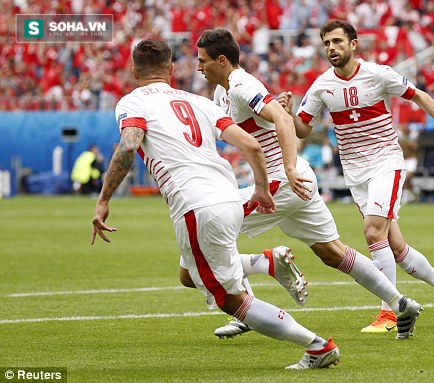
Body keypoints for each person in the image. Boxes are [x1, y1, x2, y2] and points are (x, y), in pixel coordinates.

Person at [90, 38, 340, 369]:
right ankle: (266, 262)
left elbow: (128, 146)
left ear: (135, 71)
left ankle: (317, 345)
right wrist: (261, 188)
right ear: (172, 69)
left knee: (230, 300)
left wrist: (103, 199)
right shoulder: (200, 102)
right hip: (229, 196)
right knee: (188, 274)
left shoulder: (132, 103)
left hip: (195, 204)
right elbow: (251, 145)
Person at [180, 28, 423, 340]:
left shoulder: (242, 84)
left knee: (207, 230)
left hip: (283, 181)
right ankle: (400, 303)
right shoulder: (222, 92)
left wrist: (289, 167)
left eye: (203, 61)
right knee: (332, 252)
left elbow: (282, 120)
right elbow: (268, 118)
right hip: (296, 181)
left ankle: (258, 280)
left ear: (222, 60)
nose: (199, 67)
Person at [279, 19, 434, 332]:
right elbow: (303, 129)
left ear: (353, 44)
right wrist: (288, 113)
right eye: (327, 43)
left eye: (337, 42)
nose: (332, 48)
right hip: (355, 173)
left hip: (386, 163)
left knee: (372, 233)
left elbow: (418, 95)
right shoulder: (323, 85)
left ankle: (390, 313)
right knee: (395, 248)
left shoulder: (378, 74)